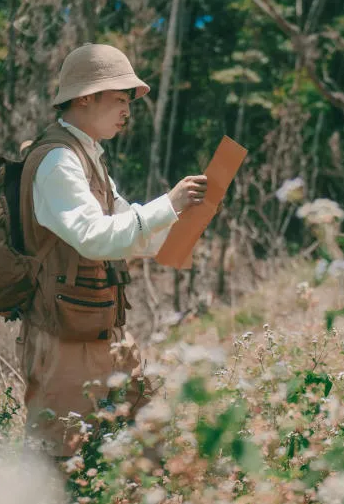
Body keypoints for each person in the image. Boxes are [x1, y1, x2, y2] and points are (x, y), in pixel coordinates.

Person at [16, 43, 207, 459]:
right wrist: (169, 205)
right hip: (63, 341)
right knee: (60, 466)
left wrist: (184, 226)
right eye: (120, 99)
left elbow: (126, 231)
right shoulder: (57, 161)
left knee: (150, 448)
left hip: (103, 333)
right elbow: (94, 236)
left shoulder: (87, 157)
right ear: (85, 98)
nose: (127, 111)